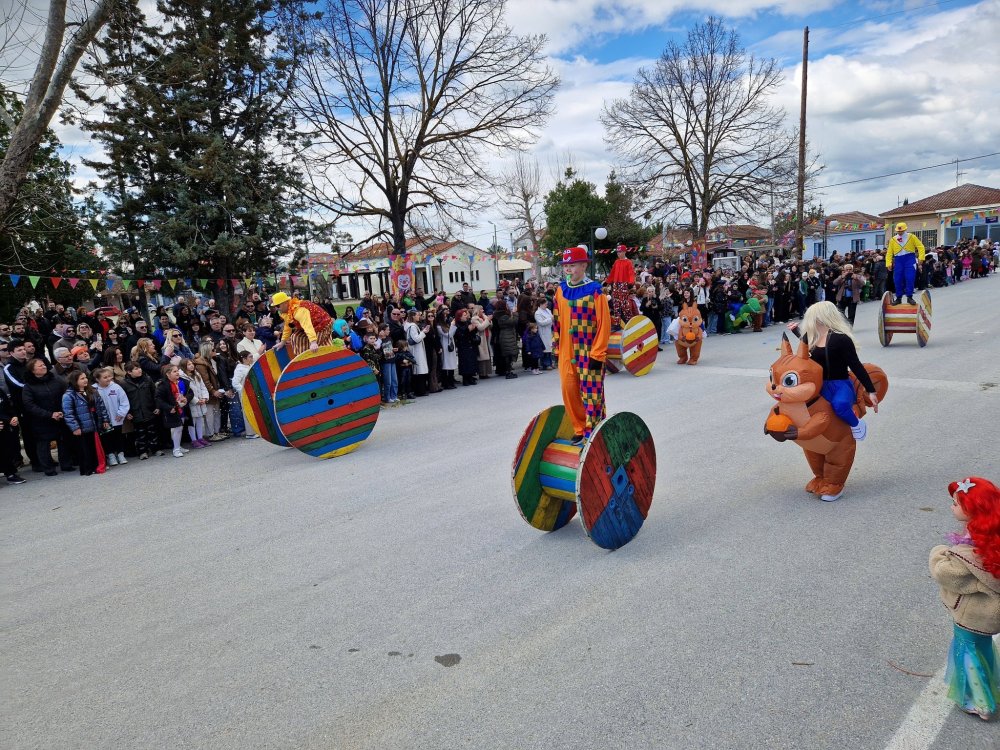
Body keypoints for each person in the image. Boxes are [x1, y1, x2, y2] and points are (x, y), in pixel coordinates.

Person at [929, 477, 1000, 722]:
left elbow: (946, 574)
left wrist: (938, 553)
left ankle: (980, 703)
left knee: (967, 652)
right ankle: (992, 687)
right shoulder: (993, 538)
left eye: (956, 503)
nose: (952, 507)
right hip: (990, 615)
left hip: (973, 616)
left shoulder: (968, 553)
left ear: (972, 510)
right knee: (983, 649)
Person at [788, 301, 878, 441]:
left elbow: (856, 366)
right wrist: (796, 331)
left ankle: (856, 424)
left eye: (813, 316)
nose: (810, 320)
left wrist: (871, 390)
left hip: (840, 384)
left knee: (839, 404)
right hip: (819, 384)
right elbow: (808, 348)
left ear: (822, 317)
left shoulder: (841, 339)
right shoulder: (812, 338)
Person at [552, 246, 610, 445]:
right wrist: (556, 347)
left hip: (588, 351)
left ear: (584, 265)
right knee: (568, 390)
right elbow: (556, 320)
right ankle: (579, 427)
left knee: (591, 393)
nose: (568, 269)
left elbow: (604, 324)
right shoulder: (561, 290)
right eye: (566, 266)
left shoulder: (595, 290)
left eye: (573, 265)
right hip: (566, 352)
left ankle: (592, 430)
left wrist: (598, 353)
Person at [21, 358, 73, 476]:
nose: (44, 367)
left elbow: (65, 394)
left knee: (63, 441)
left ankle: (66, 464)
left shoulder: (56, 380)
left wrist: (62, 411)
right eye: (40, 366)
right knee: (43, 445)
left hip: (60, 416)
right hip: (41, 420)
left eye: (44, 365)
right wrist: (49, 415)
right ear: (32, 370)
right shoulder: (28, 387)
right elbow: (30, 405)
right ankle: (48, 468)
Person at [62, 370, 109, 476]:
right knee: (84, 449)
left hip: (94, 423)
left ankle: (97, 465)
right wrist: (75, 427)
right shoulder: (69, 395)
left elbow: (101, 407)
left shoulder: (92, 391)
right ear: (75, 381)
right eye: (82, 379)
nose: (85, 380)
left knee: (94, 447)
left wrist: (105, 420)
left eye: (85, 378)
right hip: (81, 425)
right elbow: (68, 413)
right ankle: (87, 469)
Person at [122, 361, 161, 459]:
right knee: (140, 434)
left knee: (153, 431)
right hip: (136, 413)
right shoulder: (124, 383)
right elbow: (123, 400)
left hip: (149, 410)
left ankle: (155, 449)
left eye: (139, 367)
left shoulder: (147, 379)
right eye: (136, 369)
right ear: (129, 372)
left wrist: (157, 406)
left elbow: (155, 394)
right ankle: (142, 452)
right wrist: (127, 413)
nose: (139, 370)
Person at [92, 367, 130, 466]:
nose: (108, 379)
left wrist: (121, 413)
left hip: (116, 418)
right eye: (105, 377)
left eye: (109, 376)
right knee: (106, 437)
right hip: (103, 420)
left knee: (118, 436)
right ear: (97, 379)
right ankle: (111, 455)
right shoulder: (93, 389)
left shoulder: (116, 387)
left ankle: (121, 454)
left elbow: (124, 401)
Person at [886, 222, 926, 304]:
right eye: (898, 231)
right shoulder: (893, 239)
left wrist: (921, 258)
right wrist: (888, 263)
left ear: (905, 229)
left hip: (910, 259)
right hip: (898, 260)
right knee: (897, 279)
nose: (900, 232)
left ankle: (909, 296)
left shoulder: (911, 237)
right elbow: (889, 252)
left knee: (910, 278)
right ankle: (898, 297)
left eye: (902, 231)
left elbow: (921, 247)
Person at [155, 364, 189, 458]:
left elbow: (190, 392)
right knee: (176, 429)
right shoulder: (163, 385)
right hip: (171, 410)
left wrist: (186, 398)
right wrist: (169, 408)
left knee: (180, 428)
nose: (177, 372)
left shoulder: (181, 382)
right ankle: (176, 449)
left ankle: (178, 445)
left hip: (181, 408)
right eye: (174, 371)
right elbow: (158, 399)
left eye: (177, 370)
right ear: (168, 374)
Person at [180, 358, 211, 448]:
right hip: (192, 403)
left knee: (200, 420)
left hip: (201, 400)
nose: (192, 365)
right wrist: (196, 401)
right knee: (192, 422)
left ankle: (200, 438)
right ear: (184, 366)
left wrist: (205, 398)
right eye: (189, 364)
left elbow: (203, 386)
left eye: (192, 364)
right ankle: (194, 439)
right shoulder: (182, 377)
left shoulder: (196, 374)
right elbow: (186, 392)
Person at [229, 350, 259, 438]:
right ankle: (250, 433)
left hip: (253, 393)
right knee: (248, 412)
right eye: (250, 357)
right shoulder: (239, 369)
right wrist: (245, 391)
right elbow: (235, 383)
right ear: (244, 359)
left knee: (254, 411)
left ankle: (256, 430)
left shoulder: (249, 366)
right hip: (245, 395)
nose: (252, 358)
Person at [0, 386, 26, 484]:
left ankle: (10, 473)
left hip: (6, 426)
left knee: (8, 450)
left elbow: (8, 406)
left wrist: (14, 416)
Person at [451, 309, 480, 386]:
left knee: (471, 361)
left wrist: (474, 328)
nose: (466, 316)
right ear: (460, 317)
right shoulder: (457, 324)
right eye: (464, 315)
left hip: (471, 344)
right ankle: (465, 379)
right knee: (465, 362)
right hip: (463, 345)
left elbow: (473, 332)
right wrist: (468, 330)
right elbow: (460, 335)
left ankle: (471, 377)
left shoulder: (467, 322)